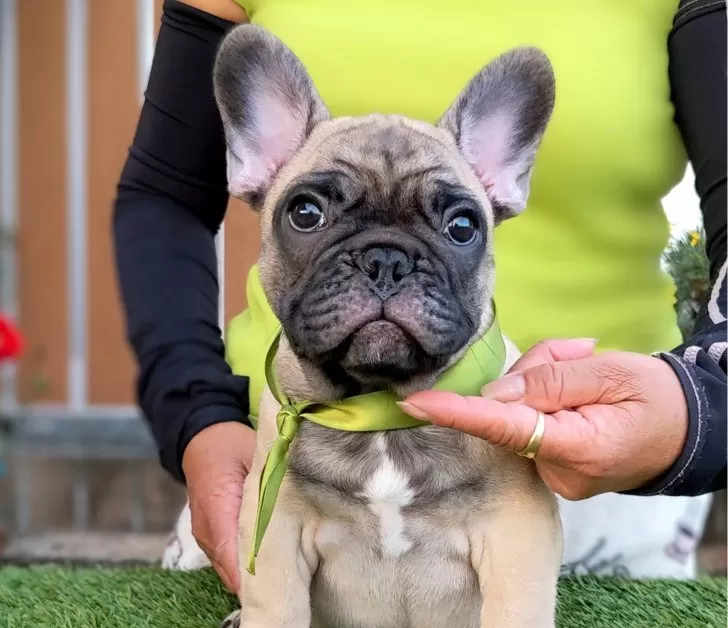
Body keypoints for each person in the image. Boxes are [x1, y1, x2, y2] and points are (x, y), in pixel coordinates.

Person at [114, 0, 726, 592]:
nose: (384, 269)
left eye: (457, 225)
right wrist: (199, 417)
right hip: (283, 469)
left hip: (592, 473)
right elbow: (165, 198)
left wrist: (699, 406)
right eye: (310, 213)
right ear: (257, 164)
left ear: (502, 181)